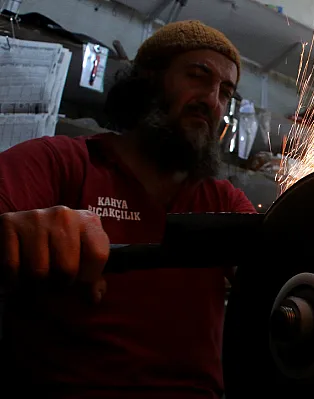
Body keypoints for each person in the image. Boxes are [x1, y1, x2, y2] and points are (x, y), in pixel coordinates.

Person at [0, 21, 255, 397]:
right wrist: (14, 230)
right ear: (150, 80)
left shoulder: (223, 200)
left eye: (225, 92)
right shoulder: (64, 162)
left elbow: (277, 270)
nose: (212, 99)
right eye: (198, 76)